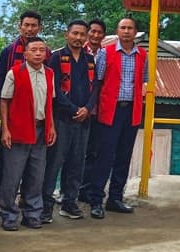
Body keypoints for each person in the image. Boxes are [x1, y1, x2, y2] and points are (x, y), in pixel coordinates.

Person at [88, 16, 146, 219]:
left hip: (131, 112)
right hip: (110, 111)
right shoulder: (106, 52)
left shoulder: (142, 55)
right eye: (123, 28)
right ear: (117, 31)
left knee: (123, 157)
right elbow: (98, 81)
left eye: (130, 28)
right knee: (104, 157)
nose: (126, 31)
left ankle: (115, 198)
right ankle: (96, 200)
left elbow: (143, 82)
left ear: (135, 31)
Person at [0, 10, 46, 216]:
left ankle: (26, 198)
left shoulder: (41, 51)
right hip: (13, 117)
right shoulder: (9, 52)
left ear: (39, 27)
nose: (30, 29)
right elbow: (1, 88)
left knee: (34, 164)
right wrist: (5, 120)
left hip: (37, 118)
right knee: (8, 161)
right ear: (20, 26)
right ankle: (0, 199)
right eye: (26, 25)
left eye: (34, 25)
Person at [0, 37, 56, 230]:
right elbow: (4, 101)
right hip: (18, 130)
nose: (38, 53)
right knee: (12, 175)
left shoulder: (49, 73)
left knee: (36, 175)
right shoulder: (14, 73)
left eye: (42, 50)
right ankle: (8, 214)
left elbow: (50, 102)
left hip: (41, 130)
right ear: (26, 54)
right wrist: (5, 129)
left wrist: (52, 126)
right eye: (34, 50)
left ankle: (32, 214)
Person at [42, 20, 96, 222]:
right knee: (54, 162)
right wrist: (74, 109)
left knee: (76, 163)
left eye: (82, 34)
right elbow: (54, 89)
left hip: (83, 121)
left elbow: (95, 88)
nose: (79, 38)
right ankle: (46, 205)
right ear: (67, 35)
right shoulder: (57, 58)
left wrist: (88, 108)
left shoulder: (90, 59)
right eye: (75, 33)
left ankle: (69, 202)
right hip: (62, 118)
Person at [79, 18, 107, 203]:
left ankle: (86, 190)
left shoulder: (107, 53)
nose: (96, 35)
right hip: (79, 111)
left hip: (99, 111)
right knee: (75, 153)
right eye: (93, 31)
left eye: (99, 32)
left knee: (94, 153)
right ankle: (71, 190)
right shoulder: (78, 51)